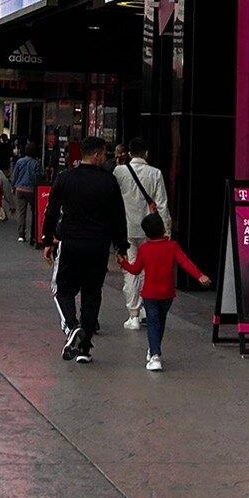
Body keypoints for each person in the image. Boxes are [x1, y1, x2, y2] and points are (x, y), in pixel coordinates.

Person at [43, 135, 128, 362]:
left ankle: (72, 327)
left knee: (63, 290)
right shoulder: (109, 182)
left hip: (71, 243)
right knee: (92, 294)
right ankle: (85, 348)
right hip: (98, 246)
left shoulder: (65, 178)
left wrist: (47, 238)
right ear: (98, 154)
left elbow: (51, 211)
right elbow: (118, 217)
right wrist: (122, 245)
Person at [118, 214, 208, 371]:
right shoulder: (172, 247)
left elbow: (136, 269)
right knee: (160, 322)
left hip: (149, 294)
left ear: (146, 233)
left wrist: (123, 263)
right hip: (167, 293)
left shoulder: (144, 249)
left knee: (153, 322)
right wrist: (199, 275)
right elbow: (185, 262)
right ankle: (154, 349)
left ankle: (155, 355)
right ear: (162, 228)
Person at [115, 142, 173, 331]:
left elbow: (113, 200)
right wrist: (166, 231)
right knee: (148, 271)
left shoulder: (119, 171)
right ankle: (147, 309)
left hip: (126, 228)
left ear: (129, 153)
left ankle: (133, 314)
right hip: (150, 230)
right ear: (146, 153)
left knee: (131, 270)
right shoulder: (155, 173)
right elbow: (162, 203)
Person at [12, 142, 40, 242]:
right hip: (31, 190)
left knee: (22, 212)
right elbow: (37, 177)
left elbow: (15, 175)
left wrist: (13, 186)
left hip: (20, 188)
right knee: (34, 212)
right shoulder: (36, 163)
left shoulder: (20, 161)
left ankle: (21, 234)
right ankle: (33, 234)